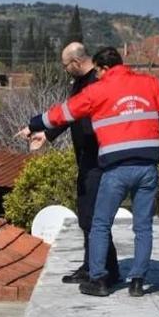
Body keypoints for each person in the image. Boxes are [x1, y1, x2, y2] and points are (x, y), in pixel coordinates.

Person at [19, 46, 159, 298]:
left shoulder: (98, 90)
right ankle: (138, 281)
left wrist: (34, 123)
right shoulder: (150, 83)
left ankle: (98, 280)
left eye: (97, 71)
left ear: (104, 68)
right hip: (148, 168)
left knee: (99, 224)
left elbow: (63, 113)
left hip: (116, 169)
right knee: (143, 227)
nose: (96, 75)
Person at [38, 43, 119, 286]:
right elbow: (69, 113)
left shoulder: (96, 82)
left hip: (98, 158)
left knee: (95, 217)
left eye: (65, 66)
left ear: (75, 62)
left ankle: (108, 269)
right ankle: (91, 264)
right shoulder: (79, 85)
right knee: (86, 216)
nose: (65, 71)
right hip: (84, 159)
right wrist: (47, 134)